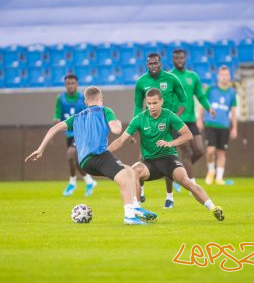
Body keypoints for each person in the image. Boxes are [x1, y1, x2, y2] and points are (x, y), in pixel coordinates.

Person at [26, 86, 157, 225]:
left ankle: (135, 207)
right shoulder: (105, 110)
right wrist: (118, 124)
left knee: (130, 171)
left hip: (85, 163)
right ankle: (129, 216)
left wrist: (40, 149)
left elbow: (54, 129)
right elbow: (116, 130)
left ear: (85, 101)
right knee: (125, 177)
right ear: (101, 99)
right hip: (99, 156)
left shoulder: (76, 117)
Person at [109, 88, 224, 221]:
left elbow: (188, 135)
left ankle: (213, 208)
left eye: (155, 103)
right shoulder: (139, 119)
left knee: (186, 182)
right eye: (149, 103)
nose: (152, 106)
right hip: (149, 162)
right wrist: (104, 152)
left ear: (161, 101)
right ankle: (138, 210)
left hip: (169, 159)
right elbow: (121, 140)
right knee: (134, 170)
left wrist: (171, 143)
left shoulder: (169, 115)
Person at [134, 53, 187, 207]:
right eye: (150, 64)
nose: (153, 66)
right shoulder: (141, 82)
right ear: (147, 65)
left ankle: (169, 196)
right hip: (148, 123)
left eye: (156, 63)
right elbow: (138, 105)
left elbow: (183, 100)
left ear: (161, 63)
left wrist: (175, 118)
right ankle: (141, 191)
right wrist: (136, 123)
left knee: (168, 157)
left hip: (168, 124)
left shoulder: (171, 79)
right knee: (143, 155)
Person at [170, 49, 216, 201]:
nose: (180, 60)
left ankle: (179, 174)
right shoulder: (169, 76)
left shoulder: (193, 76)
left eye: (182, 58)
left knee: (199, 150)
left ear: (185, 58)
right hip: (177, 120)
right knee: (186, 153)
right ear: (173, 60)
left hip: (191, 119)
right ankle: (192, 186)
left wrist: (209, 108)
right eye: (177, 58)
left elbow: (200, 95)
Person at [54, 74, 96, 197]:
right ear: (65, 85)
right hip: (69, 133)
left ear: (77, 84)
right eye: (68, 83)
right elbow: (57, 114)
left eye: (73, 83)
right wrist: (56, 122)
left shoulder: (83, 98)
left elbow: (90, 114)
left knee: (70, 153)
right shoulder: (60, 98)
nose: (71, 85)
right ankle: (89, 181)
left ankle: (72, 182)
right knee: (74, 160)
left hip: (81, 132)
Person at [197, 65, 238, 185]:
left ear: (229, 77)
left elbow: (234, 112)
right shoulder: (211, 89)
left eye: (227, 75)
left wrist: (234, 128)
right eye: (222, 75)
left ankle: (219, 178)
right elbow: (203, 104)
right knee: (210, 150)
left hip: (224, 126)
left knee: (221, 152)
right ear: (218, 76)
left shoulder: (231, 93)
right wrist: (200, 119)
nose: (224, 77)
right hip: (210, 124)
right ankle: (211, 172)